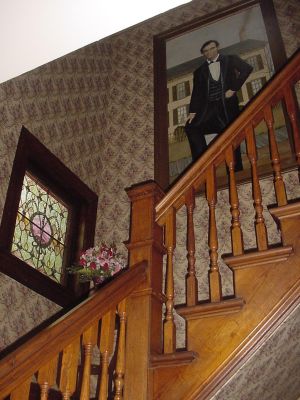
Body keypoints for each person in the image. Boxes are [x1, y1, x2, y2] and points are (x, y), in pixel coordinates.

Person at [185, 40, 253, 170]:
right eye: (206, 51)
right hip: (209, 109)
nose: (210, 52)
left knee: (231, 134)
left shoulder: (231, 59)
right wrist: (193, 112)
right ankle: (203, 165)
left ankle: (235, 169)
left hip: (227, 106)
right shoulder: (199, 71)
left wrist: (233, 89)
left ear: (217, 47)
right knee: (191, 127)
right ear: (203, 54)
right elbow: (197, 93)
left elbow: (247, 69)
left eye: (212, 48)